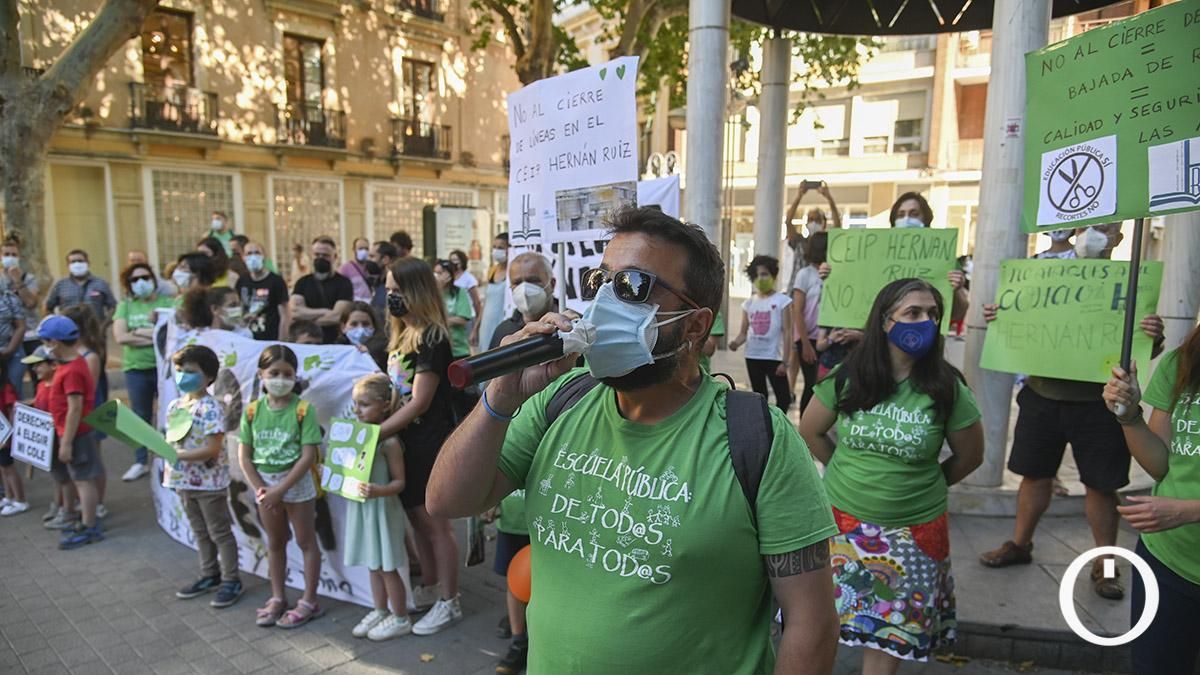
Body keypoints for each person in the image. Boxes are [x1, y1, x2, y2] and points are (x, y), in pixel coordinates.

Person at [426, 207, 841, 673]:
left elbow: (812, 621)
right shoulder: (560, 401)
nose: (605, 302)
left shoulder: (758, 440)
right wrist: (500, 399)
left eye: (632, 286)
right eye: (599, 282)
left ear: (695, 325)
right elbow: (446, 501)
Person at [799, 278, 984, 671]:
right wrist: (844, 471)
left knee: (890, 634)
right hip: (843, 526)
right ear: (885, 321)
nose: (925, 322)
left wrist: (922, 485)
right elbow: (810, 430)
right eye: (913, 313)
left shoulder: (948, 388)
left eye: (933, 314)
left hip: (913, 534)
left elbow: (970, 457)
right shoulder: (848, 378)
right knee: (824, 623)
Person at [978, 224, 1165, 601]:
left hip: (1100, 404)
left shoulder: (1131, 281)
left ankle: (1106, 564)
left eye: (1106, 228)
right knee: (1034, 475)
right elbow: (1016, 324)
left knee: (1101, 485)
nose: (1094, 234)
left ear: (1116, 238)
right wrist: (1003, 316)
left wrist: (1152, 335)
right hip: (1042, 395)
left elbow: (1147, 349)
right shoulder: (1039, 273)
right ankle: (1020, 543)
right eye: (1089, 226)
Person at [1103, 323, 1200, 675]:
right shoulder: (1183, 361)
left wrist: (1189, 511)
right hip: (1167, 561)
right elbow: (1162, 464)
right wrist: (1129, 417)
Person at [379, 257, 462, 635]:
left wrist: (376, 433)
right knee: (416, 521)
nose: (391, 296)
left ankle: (450, 600)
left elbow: (420, 402)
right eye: (389, 289)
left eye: (398, 290)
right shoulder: (400, 335)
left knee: (434, 526)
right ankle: (430, 586)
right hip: (405, 443)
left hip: (428, 442)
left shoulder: (431, 337)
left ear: (417, 291)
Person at [238, 344, 325, 628]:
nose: (280, 378)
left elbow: (308, 455)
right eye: (274, 372)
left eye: (287, 373)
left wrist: (280, 489)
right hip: (265, 488)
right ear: (261, 374)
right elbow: (244, 455)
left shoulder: (303, 410)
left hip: (296, 486)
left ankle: (309, 600)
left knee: (305, 541)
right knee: (275, 543)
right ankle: (278, 597)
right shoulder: (251, 411)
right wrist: (262, 488)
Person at [165, 345, 244, 608]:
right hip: (182, 481)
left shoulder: (210, 408)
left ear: (209, 377)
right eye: (179, 370)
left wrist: (177, 456)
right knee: (200, 531)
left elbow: (211, 447)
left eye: (190, 371)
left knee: (219, 531)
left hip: (209, 483)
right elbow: (174, 440)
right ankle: (210, 574)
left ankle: (231, 579)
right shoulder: (176, 405)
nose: (182, 376)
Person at [345, 373, 412, 641]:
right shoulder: (354, 435)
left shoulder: (389, 442)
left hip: (383, 510)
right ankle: (380, 610)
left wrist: (377, 490)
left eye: (364, 404)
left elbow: (399, 483)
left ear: (384, 406)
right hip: (363, 509)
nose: (357, 410)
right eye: (355, 404)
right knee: (373, 565)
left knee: (387, 567)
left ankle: (400, 617)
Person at [40, 316, 103, 549]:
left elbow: (75, 408)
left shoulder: (72, 370)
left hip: (77, 434)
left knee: (83, 480)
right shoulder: (69, 365)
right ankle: (87, 521)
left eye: (46, 343)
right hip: (71, 432)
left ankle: (90, 526)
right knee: (79, 478)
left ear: (55, 343)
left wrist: (65, 443)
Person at [113, 263, 174, 481]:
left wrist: (137, 333)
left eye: (145, 277)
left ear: (153, 279)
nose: (140, 282)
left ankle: (169, 457)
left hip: (163, 368)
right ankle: (140, 461)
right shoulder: (125, 306)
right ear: (128, 284)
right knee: (140, 416)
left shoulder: (166, 303)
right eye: (134, 279)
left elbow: (171, 334)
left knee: (169, 414)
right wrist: (153, 335)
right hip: (136, 370)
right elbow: (120, 337)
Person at [784, 182, 841, 396]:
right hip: (797, 294)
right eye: (811, 219)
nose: (814, 223)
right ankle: (790, 387)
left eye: (818, 219)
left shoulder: (828, 244)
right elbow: (788, 221)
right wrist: (799, 195)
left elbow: (839, 223)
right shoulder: (799, 242)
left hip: (819, 303)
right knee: (795, 347)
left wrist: (829, 198)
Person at [58, 304, 110, 519]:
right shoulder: (72, 353)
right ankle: (85, 500)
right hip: (77, 414)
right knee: (83, 463)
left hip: (90, 414)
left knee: (93, 460)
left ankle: (97, 502)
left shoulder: (90, 355)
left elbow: (85, 388)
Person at [728, 255, 793, 412]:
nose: (760, 279)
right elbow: (743, 333)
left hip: (774, 358)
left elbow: (788, 331)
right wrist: (735, 343)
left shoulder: (782, 301)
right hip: (753, 356)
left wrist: (785, 362)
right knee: (759, 397)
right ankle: (764, 429)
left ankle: (780, 426)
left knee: (783, 398)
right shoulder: (749, 303)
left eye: (764, 274)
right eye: (756, 275)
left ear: (773, 275)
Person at [290, 236, 354, 344]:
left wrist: (306, 320)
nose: (320, 258)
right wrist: (324, 311)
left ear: (335, 257)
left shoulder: (344, 283)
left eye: (325, 255)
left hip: (334, 341)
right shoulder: (302, 283)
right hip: (307, 342)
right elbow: (295, 312)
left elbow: (337, 316)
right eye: (317, 254)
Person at [487, 252, 555, 350]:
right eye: (517, 283)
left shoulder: (571, 326)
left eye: (533, 280)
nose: (524, 289)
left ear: (552, 284)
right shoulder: (503, 331)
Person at [792, 232, 826, 413]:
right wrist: (805, 343)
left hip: (828, 337)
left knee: (824, 384)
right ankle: (806, 427)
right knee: (812, 384)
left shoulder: (833, 272)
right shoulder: (805, 274)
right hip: (809, 337)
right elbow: (797, 310)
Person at [1, 236, 42, 381]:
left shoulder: (29, 278)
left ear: (19, 257)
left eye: (13, 255)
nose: (10, 258)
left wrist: (17, 281)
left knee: (38, 376)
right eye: (6, 254)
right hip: (8, 339)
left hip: (30, 335)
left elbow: (31, 303)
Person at [44, 249, 116, 327]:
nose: (77, 264)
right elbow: (47, 307)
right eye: (73, 262)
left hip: (95, 331)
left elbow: (113, 307)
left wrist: (104, 325)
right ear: (68, 265)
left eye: (80, 261)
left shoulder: (101, 283)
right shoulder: (60, 284)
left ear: (88, 263)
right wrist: (56, 324)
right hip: (68, 331)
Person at [236, 240, 290, 341]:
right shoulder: (242, 281)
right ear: (243, 258)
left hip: (270, 337)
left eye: (257, 253)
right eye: (249, 253)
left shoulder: (276, 281)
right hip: (248, 338)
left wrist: (282, 341)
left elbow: (285, 315)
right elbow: (240, 308)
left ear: (264, 256)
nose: (253, 257)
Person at [471, 233, 508, 352]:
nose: (496, 250)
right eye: (495, 247)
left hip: (502, 323)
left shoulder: (512, 272)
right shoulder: (492, 271)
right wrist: (476, 328)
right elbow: (486, 302)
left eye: (501, 247)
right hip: (486, 325)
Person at [434, 260, 474, 359]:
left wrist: (440, 321)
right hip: (438, 348)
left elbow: (463, 319)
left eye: (440, 273)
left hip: (459, 349)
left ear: (449, 275)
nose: (436, 276)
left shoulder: (459, 292)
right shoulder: (432, 294)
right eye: (435, 273)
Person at [337, 302, 387, 371]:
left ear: (374, 326)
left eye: (365, 324)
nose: (360, 328)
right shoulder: (337, 353)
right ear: (343, 327)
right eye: (354, 324)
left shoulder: (385, 352)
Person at [340, 237, 374, 303]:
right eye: (360, 249)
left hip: (371, 305)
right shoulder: (345, 268)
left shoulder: (371, 267)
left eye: (366, 249)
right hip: (354, 305)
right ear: (353, 250)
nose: (364, 251)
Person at [368, 241, 400, 310]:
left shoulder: (398, 282)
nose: (368, 260)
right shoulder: (376, 282)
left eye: (372, 256)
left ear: (385, 259)